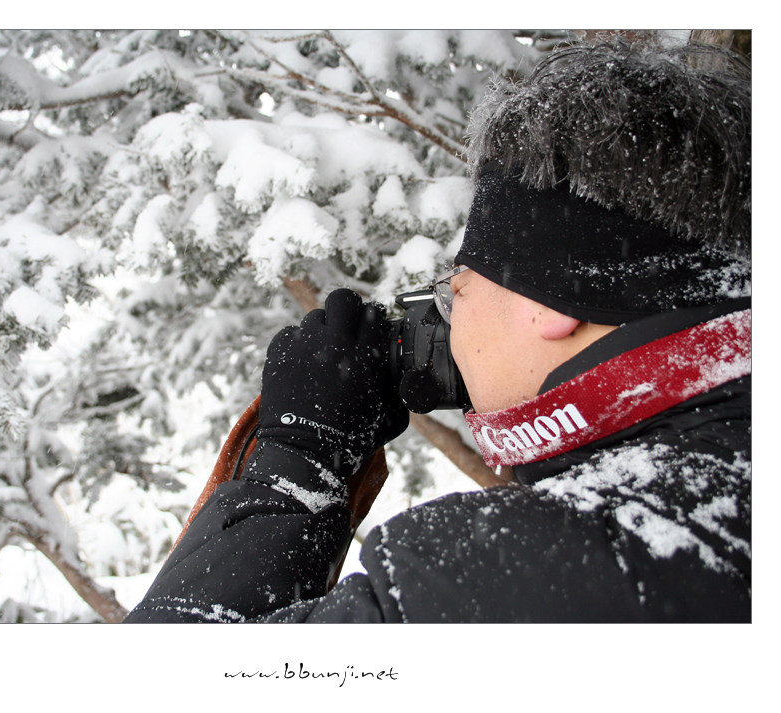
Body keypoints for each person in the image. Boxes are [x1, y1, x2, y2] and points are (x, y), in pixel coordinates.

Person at [124, 40, 751, 623]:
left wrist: (300, 459)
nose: (445, 312)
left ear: (550, 306)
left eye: (459, 289)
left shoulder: (516, 567)